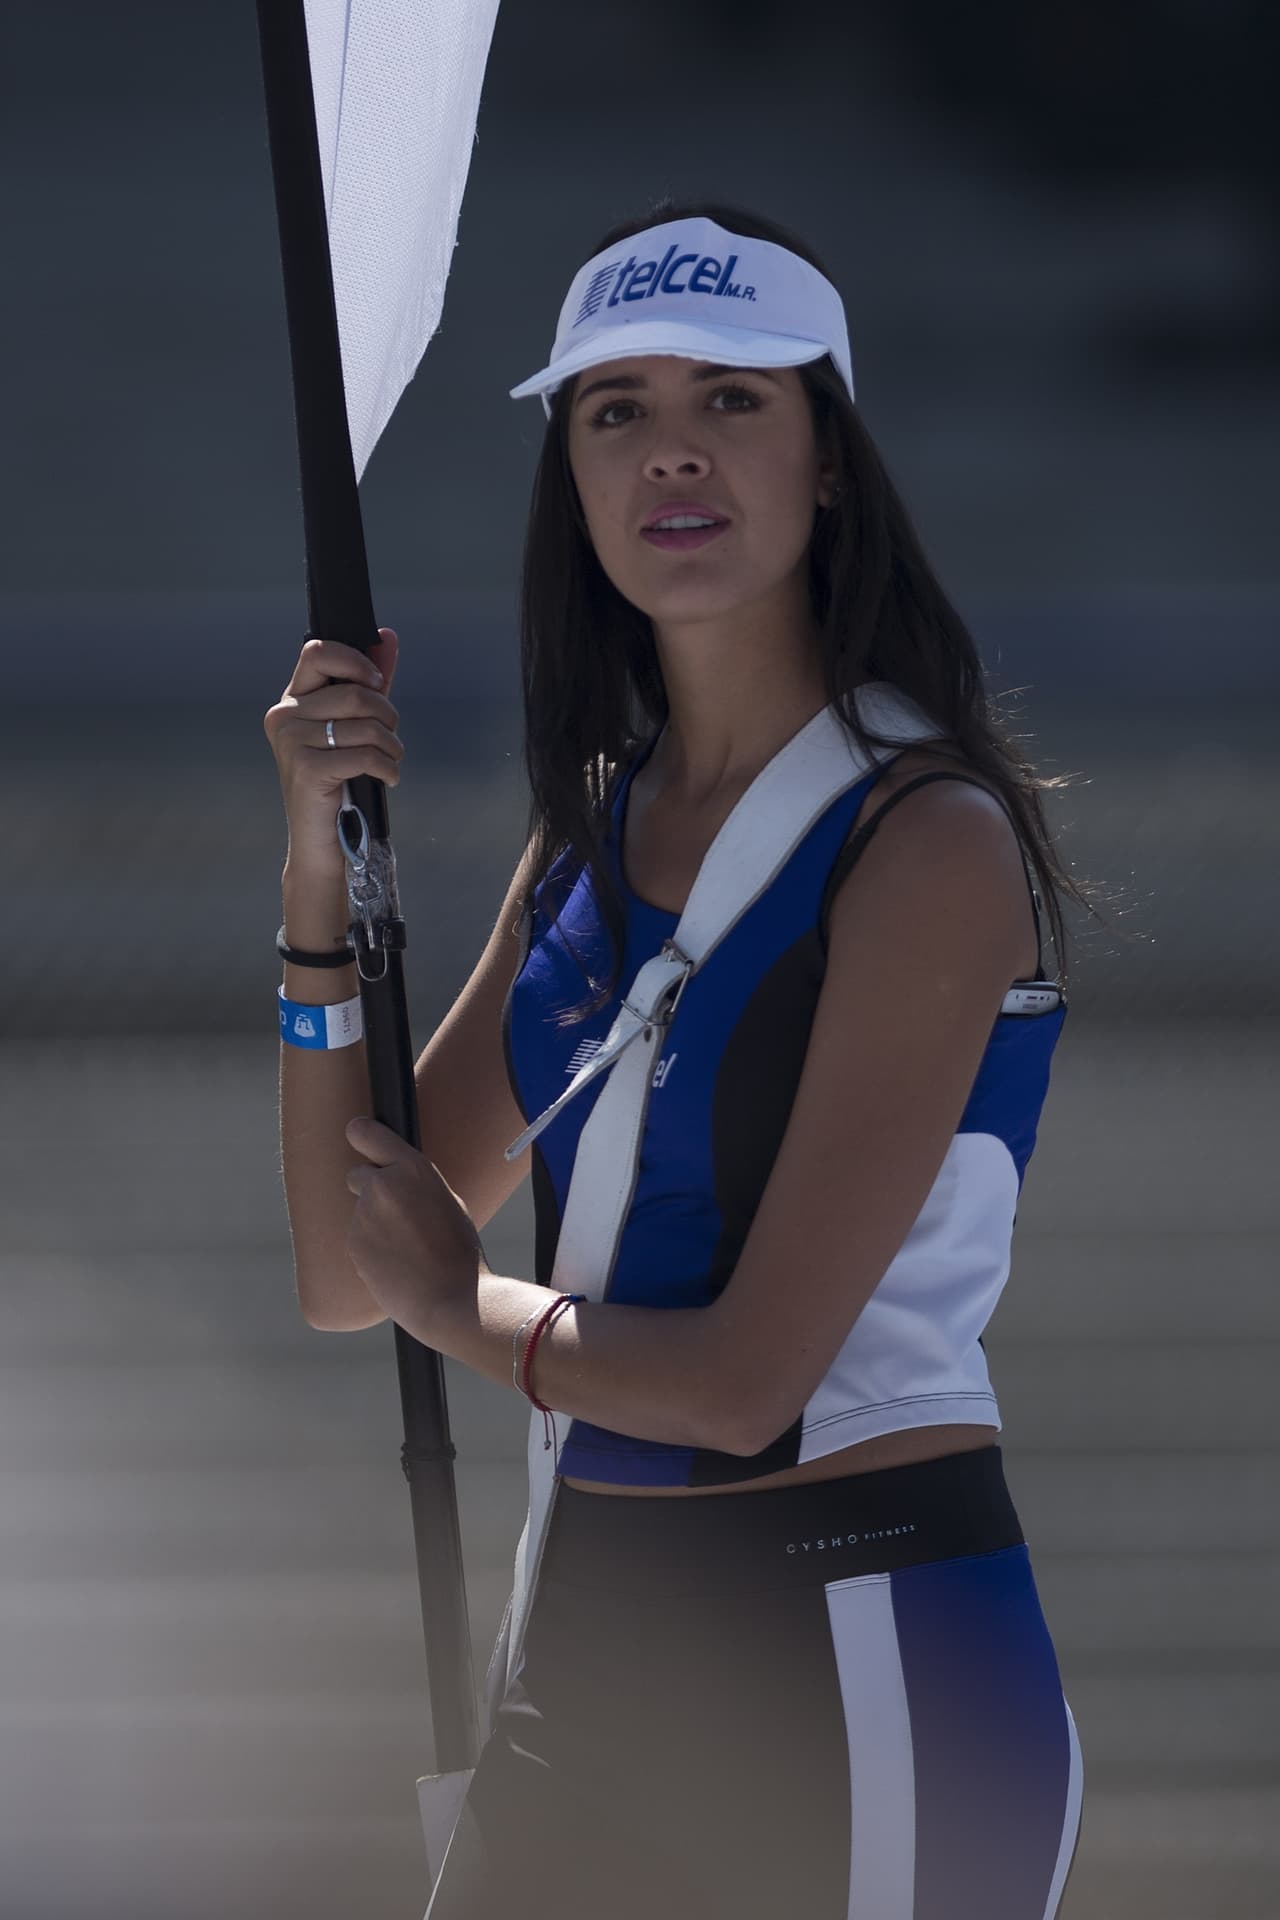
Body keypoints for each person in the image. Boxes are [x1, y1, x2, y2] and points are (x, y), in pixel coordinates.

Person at [265, 198, 1090, 1919]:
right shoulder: (585, 837)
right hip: (587, 1650)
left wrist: (460, 1305)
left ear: (832, 457)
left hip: (856, 1654)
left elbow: (741, 1386)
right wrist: (315, 875)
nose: (672, 452)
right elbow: (351, 1269)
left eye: (734, 398)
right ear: (572, 473)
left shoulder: (925, 836)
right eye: (615, 408)